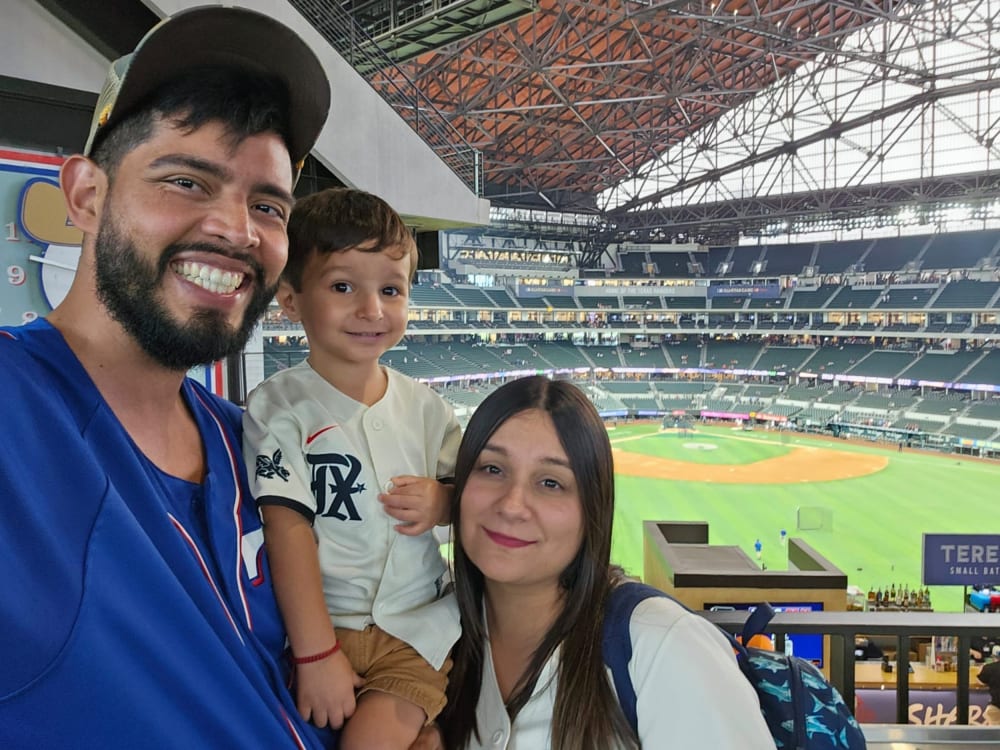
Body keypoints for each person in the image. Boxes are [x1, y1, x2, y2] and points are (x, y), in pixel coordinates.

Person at [0, 7, 334, 747]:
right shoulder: (13, 408)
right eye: (186, 180)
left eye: (268, 205)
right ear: (86, 195)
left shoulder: (251, 444)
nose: (237, 229)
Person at [438, 376, 773, 749]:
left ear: (592, 508)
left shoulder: (662, 645)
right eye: (492, 469)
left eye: (550, 483)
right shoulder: (421, 634)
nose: (512, 505)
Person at [243, 188, 462, 748]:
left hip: (418, 631)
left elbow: (474, 495)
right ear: (290, 301)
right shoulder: (278, 406)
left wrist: (444, 501)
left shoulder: (428, 408)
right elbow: (286, 529)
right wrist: (317, 654)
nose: (373, 310)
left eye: (392, 290)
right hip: (326, 630)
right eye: (343, 287)